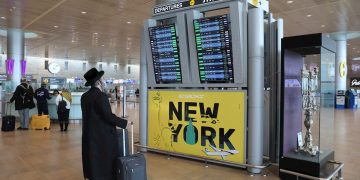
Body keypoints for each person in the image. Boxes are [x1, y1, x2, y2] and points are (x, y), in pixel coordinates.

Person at [81, 68, 131, 180]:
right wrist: (124, 123)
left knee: (93, 158)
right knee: (105, 159)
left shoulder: (84, 97)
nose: (104, 81)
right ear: (98, 82)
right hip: (102, 135)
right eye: (102, 79)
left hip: (89, 134)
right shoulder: (101, 96)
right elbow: (108, 116)